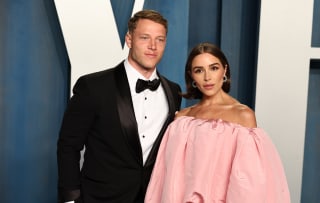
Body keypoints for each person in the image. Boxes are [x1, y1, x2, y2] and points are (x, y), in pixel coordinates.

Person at [57, 10, 182, 203]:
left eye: (160, 39)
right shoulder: (94, 87)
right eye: (145, 38)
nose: (152, 46)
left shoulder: (173, 91)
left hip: (151, 197)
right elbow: (68, 145)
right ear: (129, 39)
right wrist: (70, 198)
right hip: (99, 197)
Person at [145, 42, 291, 203]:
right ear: (192, 76)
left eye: (214, 68)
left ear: (225, 70)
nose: (207, 77)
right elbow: (167, 180)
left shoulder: (243, 116)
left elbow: (249, 184)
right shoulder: (181, 120)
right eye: (199, 70)